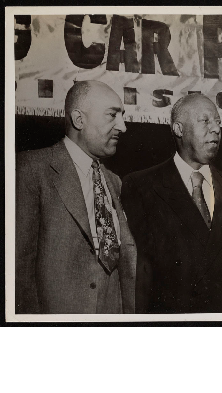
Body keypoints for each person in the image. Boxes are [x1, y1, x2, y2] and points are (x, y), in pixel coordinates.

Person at [121, 93, 222, 313]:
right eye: (205, 121)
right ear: (178, 129)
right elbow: (137, 270)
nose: (216, 129)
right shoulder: (141, 186)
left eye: (218, 122)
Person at [16, 80, 137, 314]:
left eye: (122, 115)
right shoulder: (31, 168)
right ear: (79, 120)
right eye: (112, 115)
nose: (122, 126)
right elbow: (18, 268)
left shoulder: (114, 181)